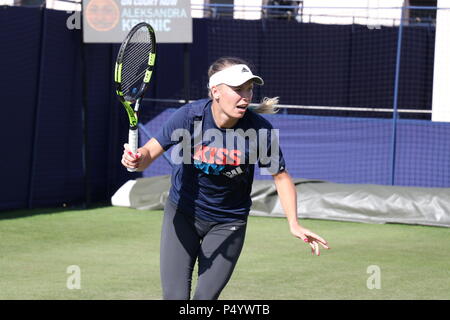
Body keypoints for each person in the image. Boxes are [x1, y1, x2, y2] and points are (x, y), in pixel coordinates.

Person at [121, 57, 329, 300]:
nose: (246, 96)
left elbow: (281, 177)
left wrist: (293, 223)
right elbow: (148, 154)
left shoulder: (260, 131)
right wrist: (136, 159)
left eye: (249, 89)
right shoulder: (190, 116)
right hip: (183, 214)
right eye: (238, 89)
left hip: (228, 223)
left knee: (203, 302)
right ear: (215, 91)